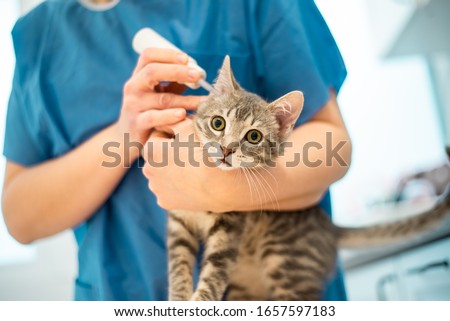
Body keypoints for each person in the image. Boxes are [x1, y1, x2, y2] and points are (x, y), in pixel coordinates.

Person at [2, 0, 351, 300]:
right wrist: (127, 131)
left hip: (275, 285)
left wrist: (218, 190)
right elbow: (19, 218)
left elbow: (333, 145)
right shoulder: (36, 36)